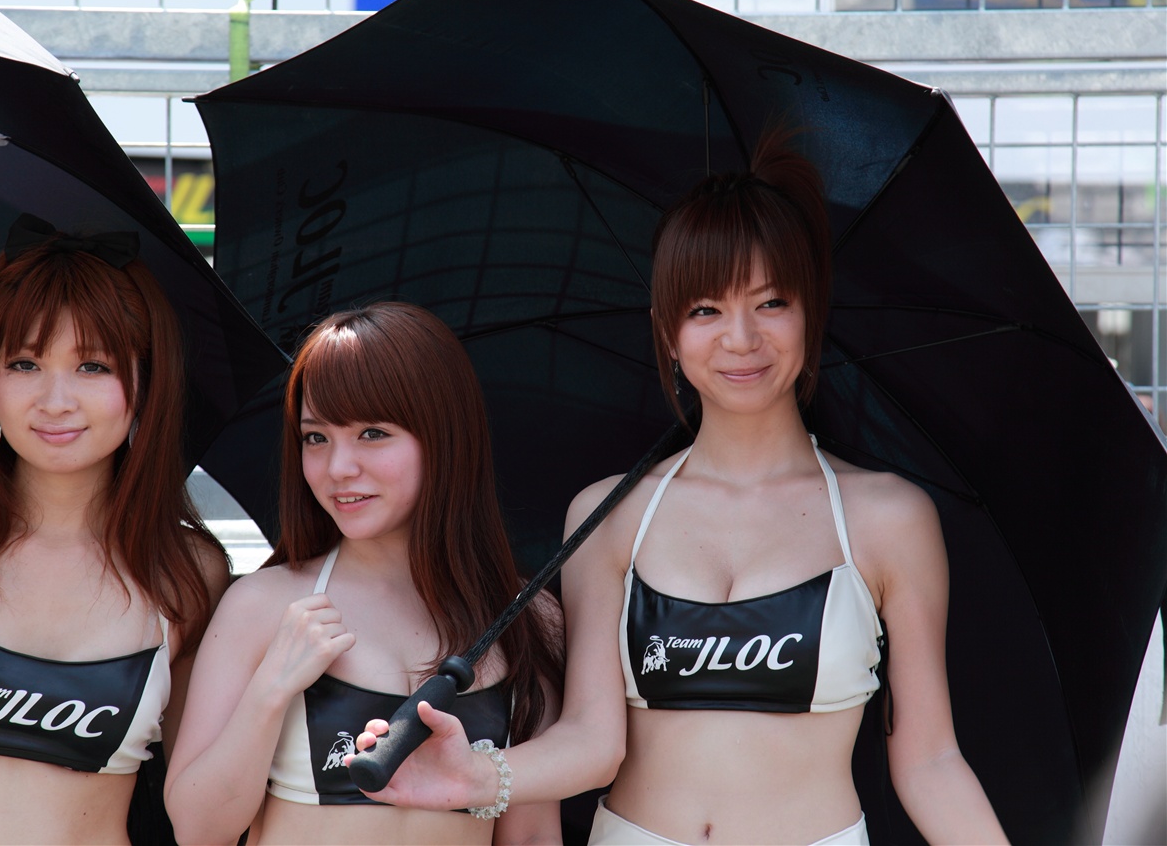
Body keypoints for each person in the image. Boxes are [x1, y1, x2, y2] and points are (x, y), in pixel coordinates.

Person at [350, 134, 1009, 845]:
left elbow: (931, 761)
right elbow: (594, 740)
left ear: (811, 313)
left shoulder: (887, 517)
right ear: (667, 332)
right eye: (705, 310)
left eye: (771, 302)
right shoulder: (608, 513)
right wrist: (475, 777)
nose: (741, 338)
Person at [164, 301, 564, 845]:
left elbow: (531, 835)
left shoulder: (525, 617)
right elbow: (197, 830)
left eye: (373, 433)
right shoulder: (262, 604)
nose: (338, 468)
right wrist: (272, 688)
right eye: (316, 437)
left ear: (445, 437)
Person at [0, 214, 230, 845]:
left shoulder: (186, 571)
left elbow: (201, 812)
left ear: (146, 379)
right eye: (24, 363)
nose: (55, 400)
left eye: (93, 366)